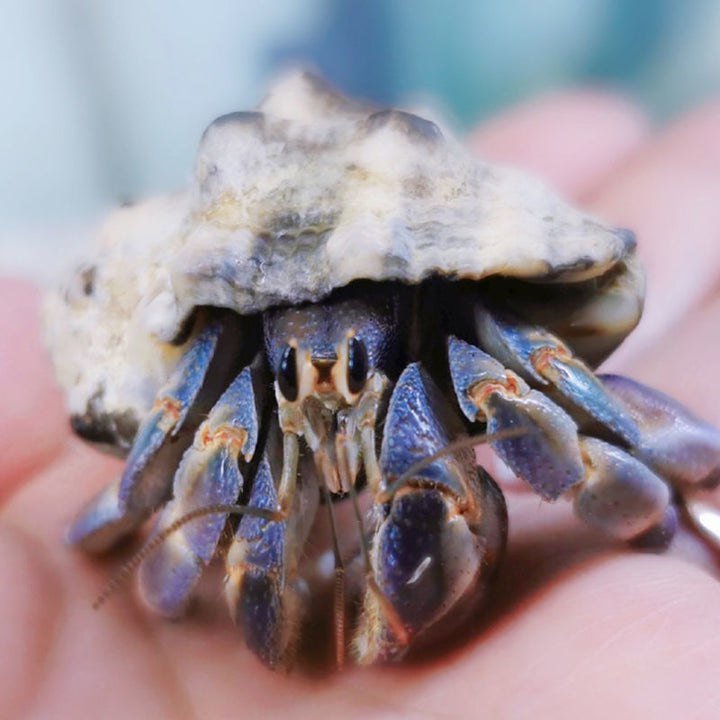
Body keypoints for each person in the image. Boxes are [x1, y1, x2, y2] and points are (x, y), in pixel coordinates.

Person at [1, 90, 719, 718]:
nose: (325, 393)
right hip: (257, 341)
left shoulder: (441, 329)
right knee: (225, 448)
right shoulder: (242, 361)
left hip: (428, 318)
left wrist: (642, 487)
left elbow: (540, 374)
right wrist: (132, 513)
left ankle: (670, 475)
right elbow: (179, 426)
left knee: (521, 387)